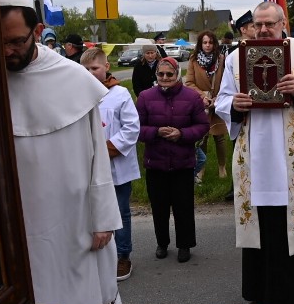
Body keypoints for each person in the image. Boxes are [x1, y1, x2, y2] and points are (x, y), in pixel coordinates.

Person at [0, 0, 148, 304]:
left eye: (16, 41)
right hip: (20, 221)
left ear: (35, 32)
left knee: (97, 299)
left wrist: (103, 216)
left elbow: (97, 153)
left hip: (77, 217)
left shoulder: (71, 78)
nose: (8, 51)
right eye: (1, 43)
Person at [215, 1, 294, 304]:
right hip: (255, 157)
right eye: (259, 24)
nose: (264, 29)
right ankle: (260, 292)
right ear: (252, 26)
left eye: (270, 23)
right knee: (262, 225)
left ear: (284, 23)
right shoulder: (236, 58)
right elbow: (222, 100)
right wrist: (235, 105)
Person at [136, 56, 209, 263]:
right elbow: (136, 129)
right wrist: (156, 132)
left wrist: (182, 134)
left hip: (182, 162)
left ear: (177, 74)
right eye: (161, 74)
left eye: (170, 74)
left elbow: (202, 126)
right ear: (156, 75)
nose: (165, 77)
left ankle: (184, 245)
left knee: (183, 206)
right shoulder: (145, 97)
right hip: (155, 162)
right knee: (159, 207)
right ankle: (162, 243)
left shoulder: (192, 97)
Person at [81, 48, 141, 282]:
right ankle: (99, 253)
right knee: (92, 211)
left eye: (94, 68)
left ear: (106, 67)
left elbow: (131, 128)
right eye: (85, 69)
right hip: (87, 165)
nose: (89, 73)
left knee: (120, 211)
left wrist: (106, 150)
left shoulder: (120, 94)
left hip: (115, 166)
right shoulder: (78, 94)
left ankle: (122, 255)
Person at [184, 30, 229, 178]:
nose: (208, 45)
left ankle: (222, 167)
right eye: (204, 42)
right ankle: (201, 168)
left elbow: (226, 81)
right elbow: (189, 82)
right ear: (200, 44)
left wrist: (217, 98)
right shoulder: (193, 59)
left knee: (219, 137)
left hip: (218, 101)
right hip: (200, 104)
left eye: (210, 42)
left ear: (214, 43)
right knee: (202, 137)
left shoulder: (221, 59)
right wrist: (203, 96)